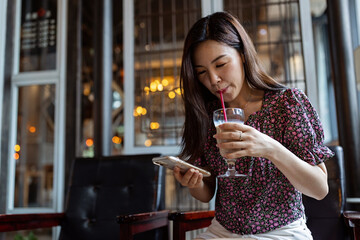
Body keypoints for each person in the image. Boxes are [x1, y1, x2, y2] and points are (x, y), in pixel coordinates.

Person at [173, 11, 334, 240]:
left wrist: (270, 148)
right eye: (201, 72)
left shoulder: (287, 103)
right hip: (222, 232)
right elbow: (206, 191)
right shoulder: (207, 114)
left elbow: (319, 189)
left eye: (220, 64)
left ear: (243, 55)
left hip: (282, 231)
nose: (213, 79)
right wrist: (193, 183)